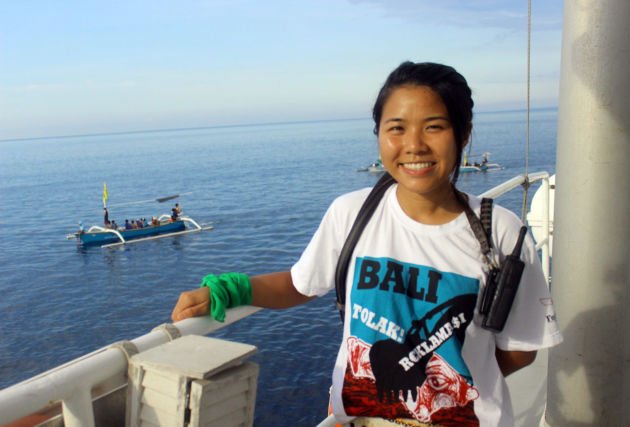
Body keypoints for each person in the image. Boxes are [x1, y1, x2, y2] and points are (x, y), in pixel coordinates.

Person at [171, 61, 562, 426]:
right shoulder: (352, 213)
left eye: (434, 127)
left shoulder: (502, 233)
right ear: (378, 134)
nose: (414, 145)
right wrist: (233, 289)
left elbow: (520, 350)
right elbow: (299, 284)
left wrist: (450, 379)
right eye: (396, 127)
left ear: (464, 133)